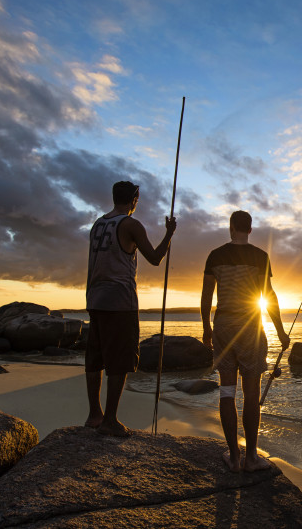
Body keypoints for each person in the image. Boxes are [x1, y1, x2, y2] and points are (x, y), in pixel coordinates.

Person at [201, 210, 290, 471]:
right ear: (250, 230)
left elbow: (207, 298)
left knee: (226, 391)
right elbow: (269, 297)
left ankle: (234, 457)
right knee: (252, 394)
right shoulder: (261, 257)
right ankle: (251, 458)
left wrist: (206, 329)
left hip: (224, 326)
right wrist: (281, 331)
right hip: (251, 326)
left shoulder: (215, 255)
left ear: (231, 228)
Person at [85, 180, 176, 437]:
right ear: (134, 199)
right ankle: (110, 419)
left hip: (95, 297)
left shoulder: (98, 224)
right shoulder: (131, 224)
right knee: (120, 359)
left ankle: (94, 414)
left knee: (95, 358)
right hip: (120, 300)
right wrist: (169, 233)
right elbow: (156, 258)